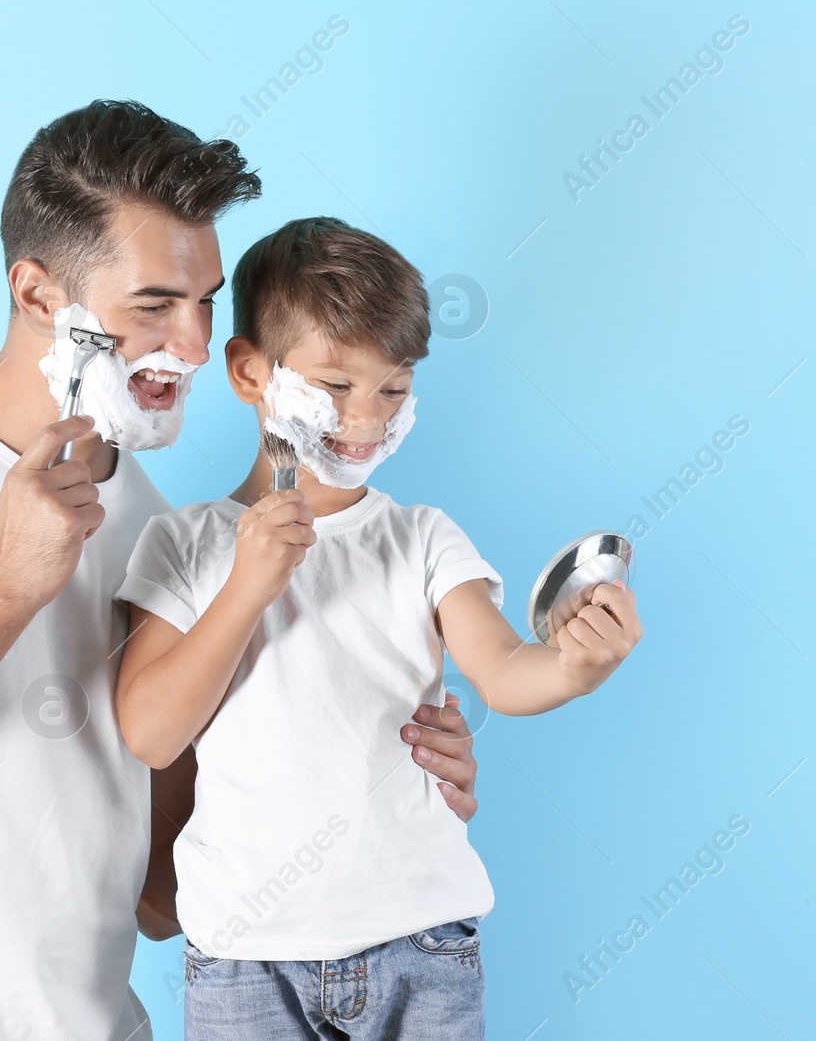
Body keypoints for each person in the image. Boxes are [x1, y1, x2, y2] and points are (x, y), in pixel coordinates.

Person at [0, 102, 483, 1040]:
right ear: (39, 296)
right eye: (155, 304)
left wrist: (374, 774)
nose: (196, 346)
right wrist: (9, 585)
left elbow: (167, 890)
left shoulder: (177, 541)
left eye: (204, 303)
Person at [115, 217, 644, 1039]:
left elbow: (504, 671)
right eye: (334, 384)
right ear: (251, 371)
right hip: (244, 956)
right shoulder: (184, 545)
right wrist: (246, 588)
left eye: (393, 389)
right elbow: (150, 731)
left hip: (421, 943)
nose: (365, 418)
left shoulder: (422, 539)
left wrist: (576, 667)